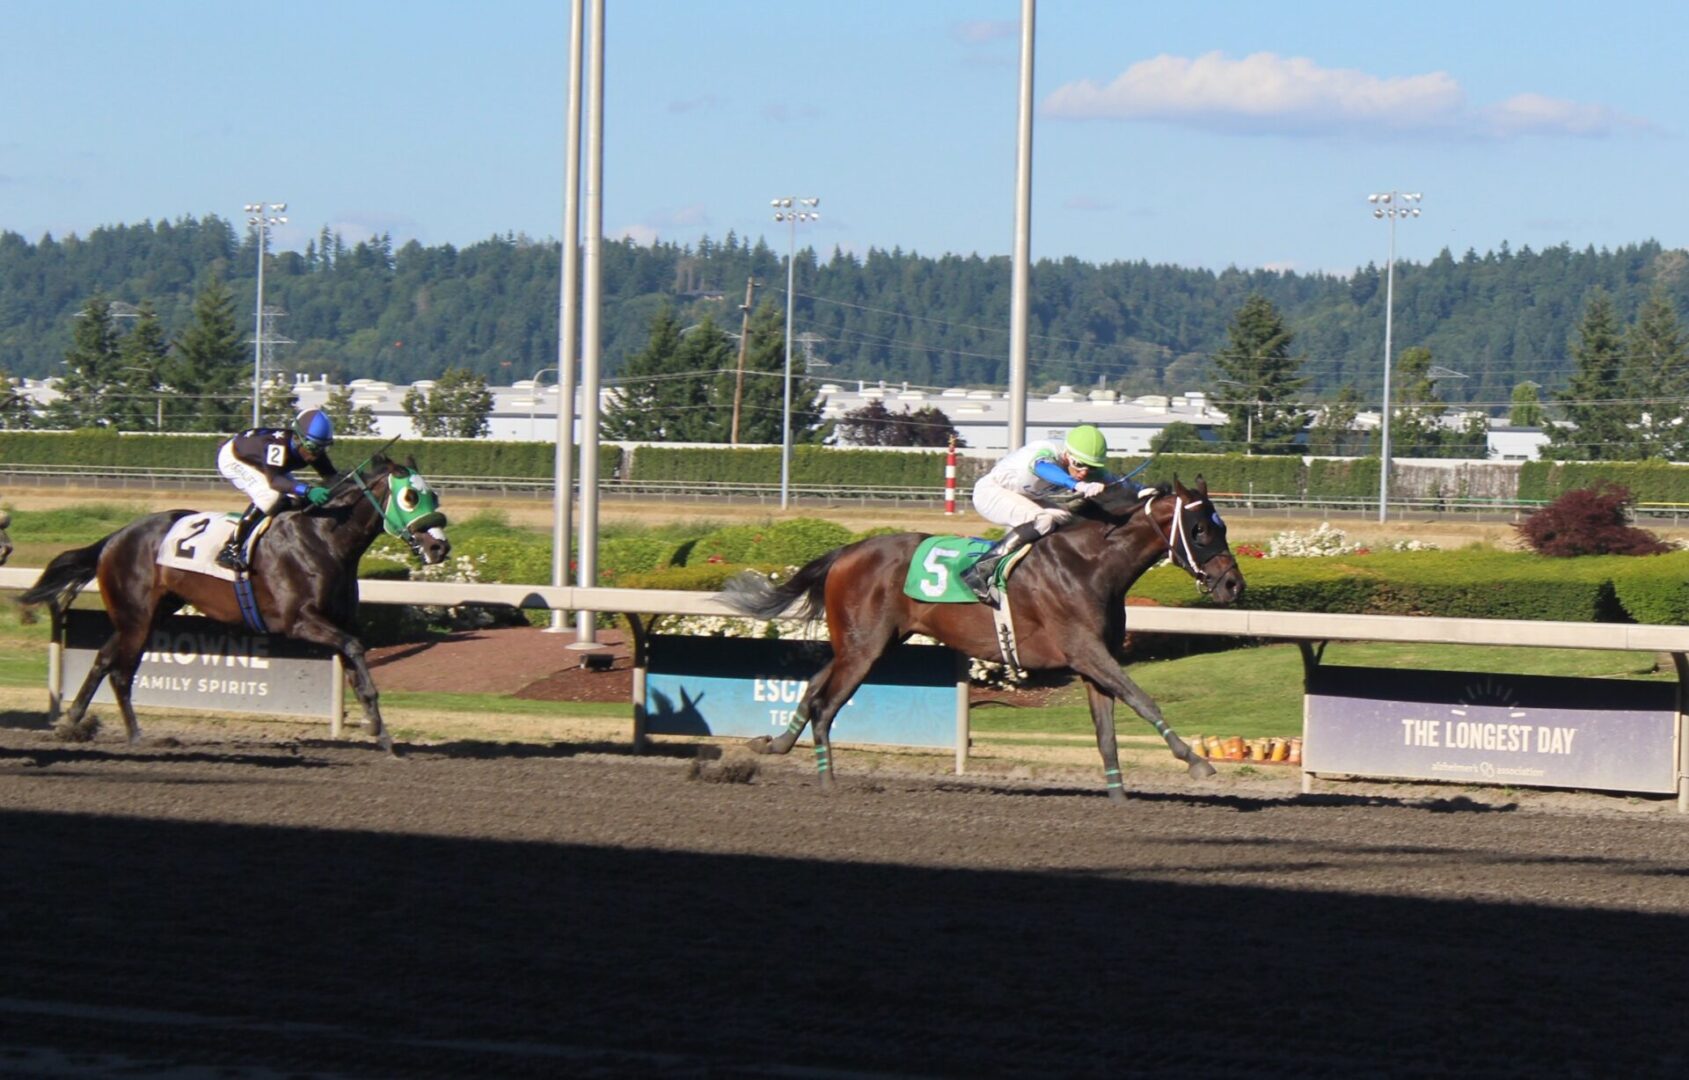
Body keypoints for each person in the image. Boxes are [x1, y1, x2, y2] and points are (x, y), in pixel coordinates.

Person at [960, 423, 1136, 604]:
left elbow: (1121, 483)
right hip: (990, 492)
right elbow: (1042, 468)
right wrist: (1077, 485)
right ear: (1067, 454)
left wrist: (1143, 492)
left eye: (1091, 467)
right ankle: (979, 571)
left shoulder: (1082, 468)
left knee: (1067, 521)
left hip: (1022, 496)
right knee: (1043, 520)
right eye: (1079, 465)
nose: (1083, 472)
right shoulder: (1047, 452)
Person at [215, 408, 339, 571]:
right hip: (235, 458)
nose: (317, 454)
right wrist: (308, 490)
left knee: (297, 499)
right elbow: (275, 481)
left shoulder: (312, 447)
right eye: (312, 447)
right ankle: (231, 548)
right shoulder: (277, 446)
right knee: (270, 497)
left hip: (261, 460)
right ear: (298, 438)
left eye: (323, 448)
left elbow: (332, 476)